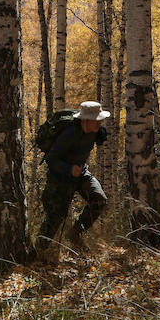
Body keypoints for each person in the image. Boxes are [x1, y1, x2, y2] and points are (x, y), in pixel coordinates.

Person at [35, 100, 111, 258]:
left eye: (100, 119)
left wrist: (102, 136)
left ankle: (75, 234)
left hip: (82, 173)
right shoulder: (69, 133)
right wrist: (68, 169)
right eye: (97, 120)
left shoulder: (95, 130)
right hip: (59, 178)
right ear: (85, 120)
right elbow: (51, 159)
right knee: (55, 217)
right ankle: (38, 253)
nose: (100, 122)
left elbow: (100, 137)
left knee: (99, 199)